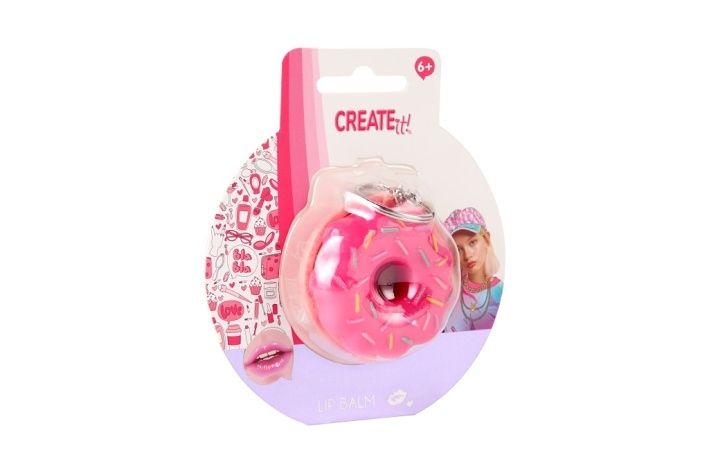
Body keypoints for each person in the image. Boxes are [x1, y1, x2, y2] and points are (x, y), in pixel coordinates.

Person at [443, 207, 503, 332]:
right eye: (458, 249)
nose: (467, 255)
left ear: (486, 239)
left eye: (472, 243)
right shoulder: (451, 292)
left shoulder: (500, 293)